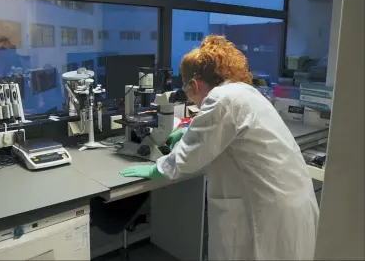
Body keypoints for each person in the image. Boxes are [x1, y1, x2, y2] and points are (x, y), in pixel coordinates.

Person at [120, 35, 319, 260]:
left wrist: (158, 168)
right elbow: (231, 130)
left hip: (265, 215)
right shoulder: (244, 92)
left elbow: (188, 159)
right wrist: (189, 131)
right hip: (291, 203)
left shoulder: (221, 99)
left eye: (186, 92)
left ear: (193, 85)